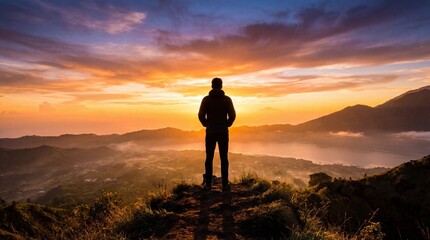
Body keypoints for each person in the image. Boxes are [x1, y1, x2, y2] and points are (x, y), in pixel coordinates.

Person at [198, 77, 236, 191]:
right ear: (221, 86)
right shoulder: (227, 100)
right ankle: (225, 184)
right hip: (223, 131)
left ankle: (208, 184)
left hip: (210, 132)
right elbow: (233, 115)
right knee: (224, 158)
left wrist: (206, 124)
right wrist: (227, 124)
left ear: (211, 86)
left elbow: (200, 115)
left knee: (209, 157)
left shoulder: (206, 100)